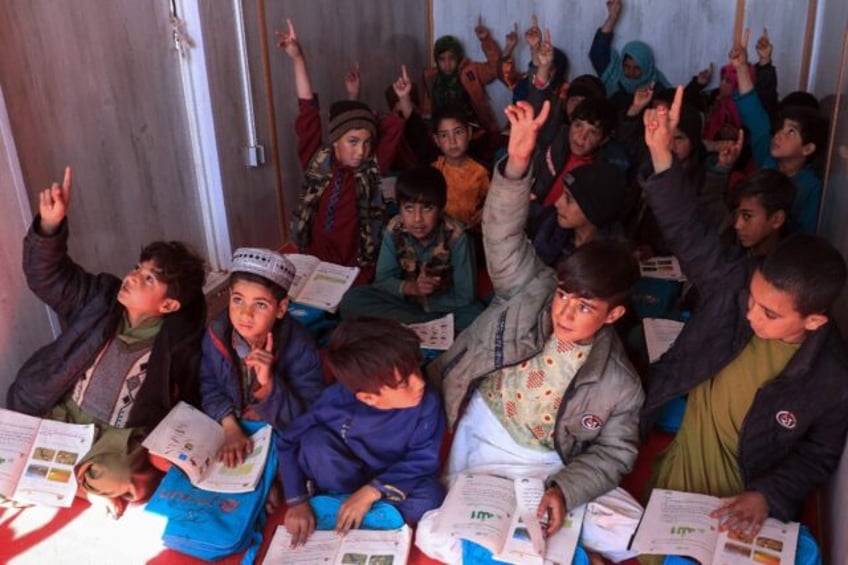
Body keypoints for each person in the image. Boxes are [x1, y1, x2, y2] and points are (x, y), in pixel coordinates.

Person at [418, 100, 644, 561]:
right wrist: (517, 163)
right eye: (564, 294)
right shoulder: (531, 288)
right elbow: (501, 235)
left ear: (613, 316)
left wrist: (564, 489)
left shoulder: (620, 382)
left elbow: (615, 454)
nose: (564, 311)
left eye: (584, 306)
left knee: (633, 531)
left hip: (549, 462)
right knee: (434, 529)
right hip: (485, 434)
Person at [639, 86, 848, 543]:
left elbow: (818, 452)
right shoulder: (735, 283)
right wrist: (661, 156)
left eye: (771, 314)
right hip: (685, 463)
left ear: (814, 321)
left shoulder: (829, 376)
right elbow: (688, 233)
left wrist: (768, 495)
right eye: (753, 299)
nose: (752, 315)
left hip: (743, 486)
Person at [9, 167, 207, 516]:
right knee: (9, 447)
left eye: (147, 279)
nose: (131, 277)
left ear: (168, 305)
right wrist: (50, 227)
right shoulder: (99, 298)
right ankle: (84, 491)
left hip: (111, 439)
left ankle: (61, 483)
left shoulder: (177, 344)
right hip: (61, 415)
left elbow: (191, 399)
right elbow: (48, 277)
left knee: (124, 475)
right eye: (136, 268)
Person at [280, 319, 446, 547]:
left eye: (417, 369)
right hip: (343, 474)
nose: (419, 383)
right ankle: (349, 507)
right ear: (368, 398)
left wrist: (371, 492)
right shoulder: (335, 403)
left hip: (393, 478)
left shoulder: (427, 403)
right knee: (314, 443)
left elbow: (423, 459)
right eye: (405, 382)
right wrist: (296, 501)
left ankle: (341, 510)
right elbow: (288, 441)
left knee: (432, 496)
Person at [277, 19, 412, 283]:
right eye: (352, 142)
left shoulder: (371, 168)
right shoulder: (317, 160)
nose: (361, 151)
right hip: (314, 260)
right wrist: (298, 58)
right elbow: (307, 109)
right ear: (335, 141)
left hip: (357, 266)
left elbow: (394, 125)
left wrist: (404, 98)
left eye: (367, 143)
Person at [199, 247, 325, 510]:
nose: (245, 314)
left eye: (260, 304)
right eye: (238, 300)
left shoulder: (300, 345)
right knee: (171, 459)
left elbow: (306, 415)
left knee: (317, 454)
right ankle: (262, 479)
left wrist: (269, 386)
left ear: (281, 309)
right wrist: (231, 428)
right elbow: (209, 385)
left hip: (278, 425)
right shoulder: (217, 335)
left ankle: (267, 479)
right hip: (231, 421)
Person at [339, 166, 483, 333]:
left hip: (445, 309)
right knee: (353, 300)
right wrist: (412, 288)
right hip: (405, 303)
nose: (417, 219)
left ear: (441, 207)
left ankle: (411, 328)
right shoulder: (394, 230)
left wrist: (429, 300)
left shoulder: (458, 237)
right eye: (409, 208)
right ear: (399, 208)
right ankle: (427, 329)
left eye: (427, 208)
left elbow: (465, 296)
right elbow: (383, 280)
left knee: (476, 315)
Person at [731, 28, 828, 234]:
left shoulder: (810, 186)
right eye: (780, 128)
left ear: (808, 148)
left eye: (791, 132)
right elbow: (755, 116)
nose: (779, 134)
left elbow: (804, 234)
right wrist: (741, 67)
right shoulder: (768, 156)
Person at [532, 160, 628, 267]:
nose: (557, 203)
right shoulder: (548, 224)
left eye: (569, 199)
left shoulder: (604, 265)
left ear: (593, 212)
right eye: (562, 193)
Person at [422, 18, 502, 137]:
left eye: (452, 58)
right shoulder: (432, 78)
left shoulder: (470, 72)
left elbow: (495, 69)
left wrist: (486, 40)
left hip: (473, 133)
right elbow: (427, 112)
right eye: (442, 59)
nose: (447, 64)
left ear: (458, 57)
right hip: (442, 135)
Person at [589, 0, 671, 110]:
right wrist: (612, 17)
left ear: (647, 67)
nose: (631, 72)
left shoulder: (657, 90)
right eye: (626, 66)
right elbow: (597, 51)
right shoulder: (613, 76)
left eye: (637, 68)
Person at [430, 105, 490, 229]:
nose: (453, 141)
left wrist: (487, 209)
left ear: (469, 133)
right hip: (440, 235)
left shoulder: (481, 171)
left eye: (458, 132)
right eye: (444, 135)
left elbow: (496, 199)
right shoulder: (433, 170)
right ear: (436, 140)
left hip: (471, 233)